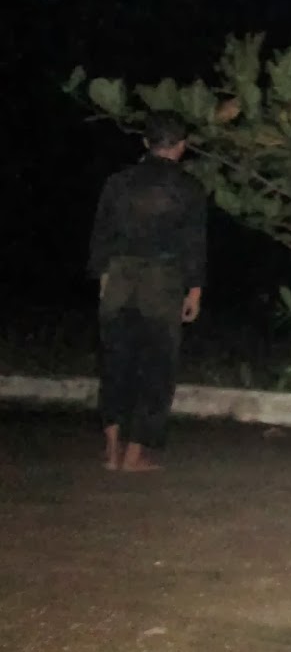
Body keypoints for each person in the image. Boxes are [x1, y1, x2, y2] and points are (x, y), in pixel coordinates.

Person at [88, 111, 207, 472]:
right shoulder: (188, 187)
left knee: (116, 360)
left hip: (120, 276)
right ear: (182, 146)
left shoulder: (118, 182)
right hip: (162, 279)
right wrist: (195, 290)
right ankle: (135, 453)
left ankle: (111, 448)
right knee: (157, 365)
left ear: (145, 142)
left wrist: (103, 276)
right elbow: (193, 243)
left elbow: (101, 235)